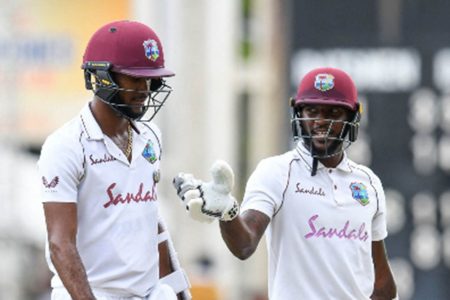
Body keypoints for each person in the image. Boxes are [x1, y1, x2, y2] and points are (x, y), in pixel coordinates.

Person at [173, 67, 398, 299]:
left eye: (333, 112)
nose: (321, 121)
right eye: (311, 111)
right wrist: (227, 213)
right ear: (298, 114)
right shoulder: (277, 172)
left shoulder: (368, 183)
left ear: (352, 118)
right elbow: (244, 245)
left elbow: (381, 284)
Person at [38, 20, 191, 300]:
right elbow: (61, 244)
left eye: (151, 79)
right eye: (135, 78)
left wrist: (181, 292)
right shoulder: (65, 146)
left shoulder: (151, 136)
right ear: (103, 77)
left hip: (148, 294)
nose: (145, 89)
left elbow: (151, 224)